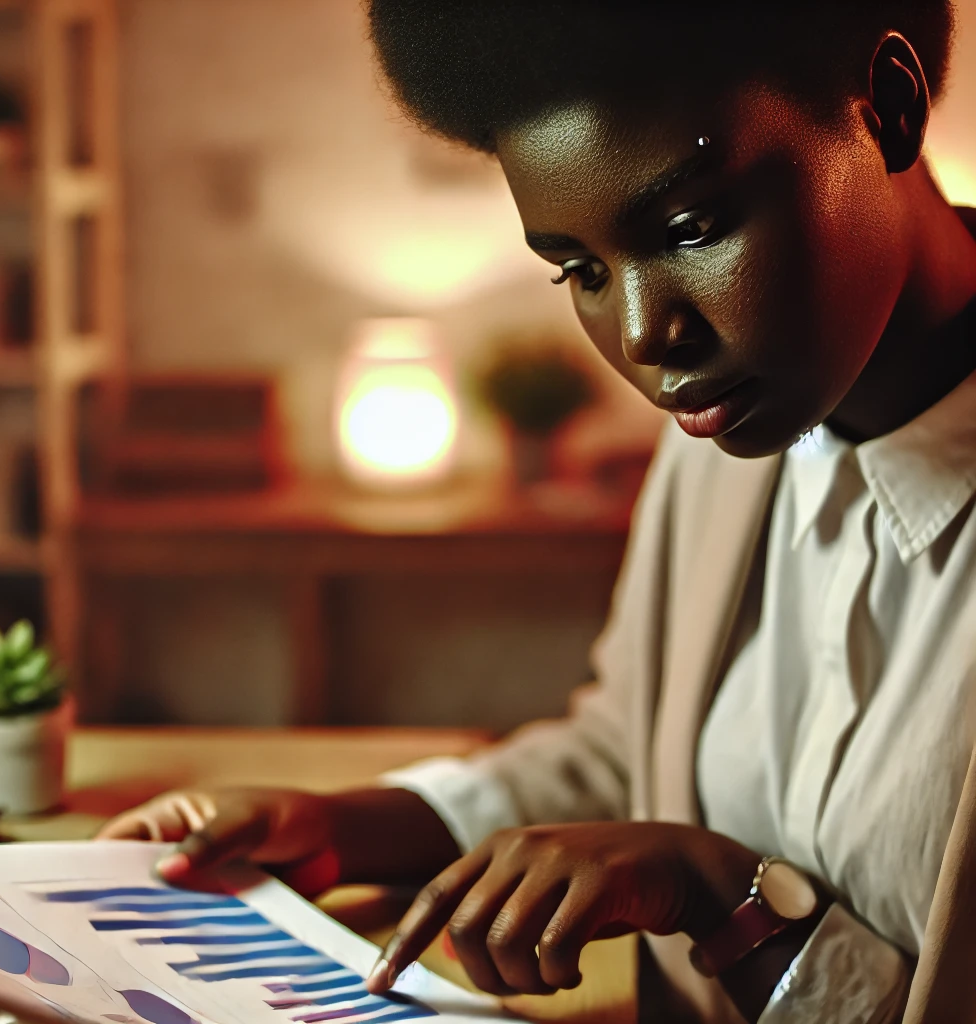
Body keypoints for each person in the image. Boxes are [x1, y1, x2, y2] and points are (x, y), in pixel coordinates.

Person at [99, 3, 976, 1021]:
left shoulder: (753, 379)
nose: (647, 335)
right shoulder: (735, 424)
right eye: (582, 270)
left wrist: (724, 899)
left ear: (890, 109)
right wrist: (343, 826)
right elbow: (631, 746)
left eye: (691, 228)